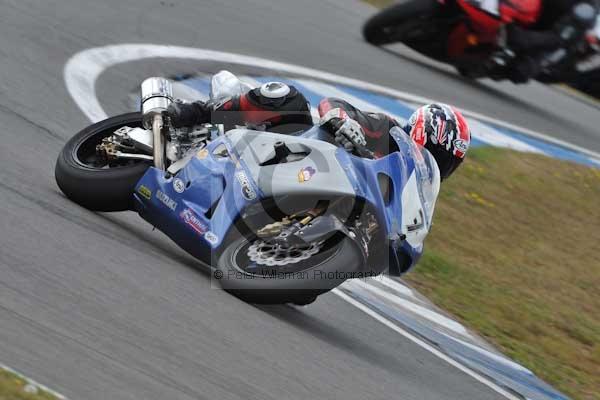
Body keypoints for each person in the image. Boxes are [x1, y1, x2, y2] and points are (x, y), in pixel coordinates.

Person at [168, 72, 471, 181]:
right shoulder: (387, 130)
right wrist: (342, 120)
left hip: (308, 186)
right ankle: (194, 115)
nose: (439, 165)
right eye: (438, 154)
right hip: (294, 147)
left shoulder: (410, 186)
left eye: (447, 163)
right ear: (424, 132)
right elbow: (333, 103)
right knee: (286, 97)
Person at [500, 0, 599, 83]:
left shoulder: (585, 9)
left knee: (520, 71)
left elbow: (558, 38)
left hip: (546, 42)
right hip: (525, 19)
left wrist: (522, 37)